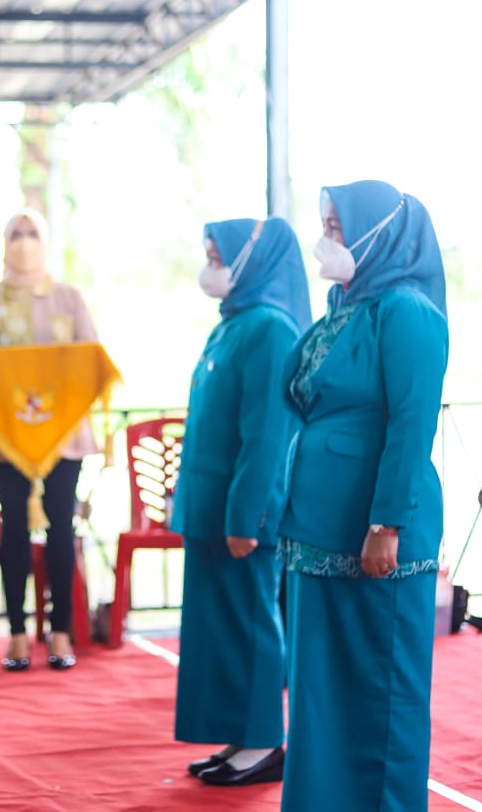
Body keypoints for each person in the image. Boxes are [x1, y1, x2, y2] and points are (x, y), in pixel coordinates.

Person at [277, 180, 449, 810]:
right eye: (324, 224)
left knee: (381, 696)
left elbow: (412, 423)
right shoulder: (343, 308)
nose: (325, 240)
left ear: (379, 236)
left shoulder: (407, 312)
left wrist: (386, 524)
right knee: (321, 696)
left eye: (337, 227)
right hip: (317, 526)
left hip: (374, 531)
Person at [171, 217, 309, 786]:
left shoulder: (270, 329)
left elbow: (267, 436)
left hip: (239, 512)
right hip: (209, 508)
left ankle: (263, 741)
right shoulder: (231, 326)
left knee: (250, 621)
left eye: (218, 256)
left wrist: (248, 514)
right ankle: (239, 735)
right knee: (218, 626)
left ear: (252, 262)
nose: (211, 266)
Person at [0, 207, 97, 671]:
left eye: (32, 233)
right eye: (15, 234)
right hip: (8, 438)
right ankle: (17, 633)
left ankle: (61, 632)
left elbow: (90, 362)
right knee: (13, 531)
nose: (23, 242)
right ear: (3, 242)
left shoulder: (68, 298)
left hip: (65, 439)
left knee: (61, 527)